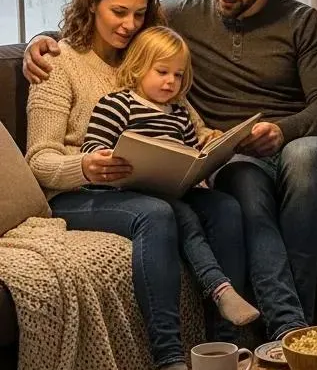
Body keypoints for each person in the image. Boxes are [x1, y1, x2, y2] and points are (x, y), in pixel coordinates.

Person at [25, 0, 317, 340]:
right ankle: (276, 331)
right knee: (240, 192)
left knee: (297, 166)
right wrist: (39, 40)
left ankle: (293, 328)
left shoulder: (298, 22)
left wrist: (273, 132)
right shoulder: (175, 20)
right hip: (196, 163)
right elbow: (91, 35)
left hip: (290, 138)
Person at [25, 0, 249, 370]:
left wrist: (209, 143)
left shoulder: (148, 59)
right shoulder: (58, 63)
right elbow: (38, 160)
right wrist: (84, 165)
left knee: (223, 208)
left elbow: (191, 123)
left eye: (139, 13)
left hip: (148, 185)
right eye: (119, 12)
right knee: (157, 215)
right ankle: (168, 363)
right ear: (92, 3)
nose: (129, 25)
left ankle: (225, 348)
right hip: (80, 192)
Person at [82, 25, 260, 329]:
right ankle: (220, 288)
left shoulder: (178, 113)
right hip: (130, 192)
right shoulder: (116, 104)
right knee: (183, 215)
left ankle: (226, 339)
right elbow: (93, 148)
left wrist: (206, 158)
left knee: (226, 206)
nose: (171, 82)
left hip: (174, 187)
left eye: (178, 75)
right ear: (138, 67)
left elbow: (192, 155)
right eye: (162, 72)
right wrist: (103, 159)